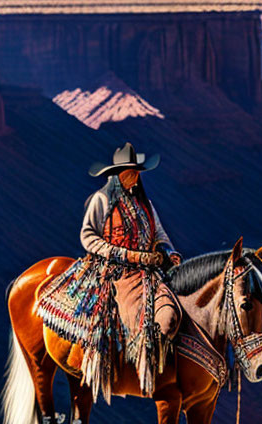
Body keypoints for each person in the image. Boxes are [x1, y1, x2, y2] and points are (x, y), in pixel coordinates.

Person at [37, 143, 182, 398]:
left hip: (148, 271)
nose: (136, 176)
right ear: (118, 174)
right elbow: (88, 236)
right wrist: (123, 254)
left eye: (137, 171)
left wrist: (169, 252)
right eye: (131, 171)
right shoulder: (101, 200)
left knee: (172, 309)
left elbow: (158, 232)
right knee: (124, 315)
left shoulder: (144, 204)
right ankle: (117, 367)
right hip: (115, 272)